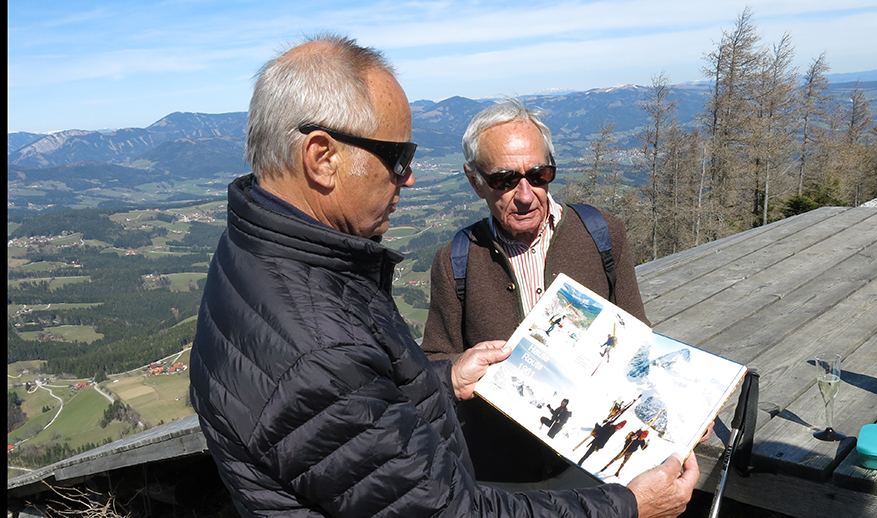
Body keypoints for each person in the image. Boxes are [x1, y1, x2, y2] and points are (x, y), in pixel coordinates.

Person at [190, 34, 698, 518]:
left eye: (539, 174)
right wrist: (629, 507)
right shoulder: (317, 346)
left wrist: (446, 379)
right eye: (397, 157)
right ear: (322, 158)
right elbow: (448, 510)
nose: (408, 176)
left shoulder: (259, 254)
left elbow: (360, 412)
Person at [423, 99, 652, 485]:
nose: (526, 194)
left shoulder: (602, 234)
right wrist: (459, 369)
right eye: (504, 180)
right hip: (504, 472)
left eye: (539, 174)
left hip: (589, 463)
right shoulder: (455, 261)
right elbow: (434, 364)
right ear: (474, 179)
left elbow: (639, 334)